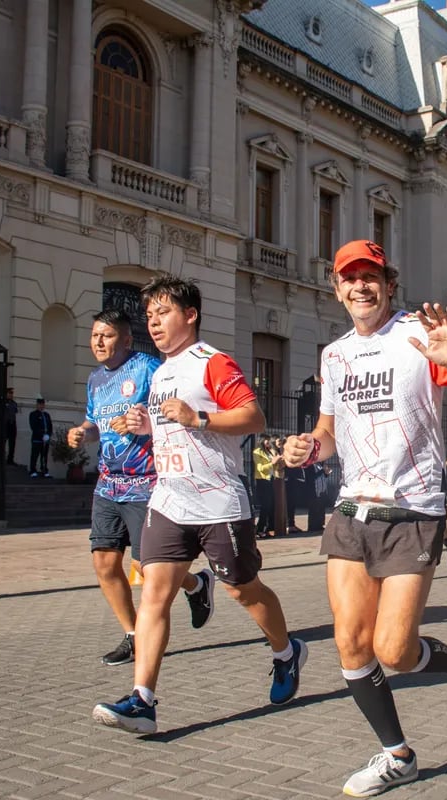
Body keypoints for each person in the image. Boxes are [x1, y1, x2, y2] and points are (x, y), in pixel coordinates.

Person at [282, 240, 447, 796]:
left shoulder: (419, 339)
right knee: (351, 645)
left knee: (395, 652)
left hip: (413, 512)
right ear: (336, 288)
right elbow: (329, 434)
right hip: (352, 511)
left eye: (370, 276)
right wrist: (307, 448)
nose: (360, 286)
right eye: (349, 277)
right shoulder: (333, 356)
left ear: (389, 284)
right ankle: (397, 755)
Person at [92, 276, 306, 735]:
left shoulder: (212, 362)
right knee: (153, 592)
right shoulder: (160, 373)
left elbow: (254, 416)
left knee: (243, 590)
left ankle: (287, 651)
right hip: (169, 499)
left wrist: (199, 417)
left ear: (189, 315)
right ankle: (143, 700)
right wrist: (145, 424)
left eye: (163, 314)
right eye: (149, 317)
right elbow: (173, 431)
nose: (154, 324)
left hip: (218, 501)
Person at [67, 309, 213, 667]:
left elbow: (170, 411)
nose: (99, 342)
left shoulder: (149, 368)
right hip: (108, 484)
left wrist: (141, 420)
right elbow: (94, 421)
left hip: (146, 483)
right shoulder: (95, 379)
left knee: (148, 570)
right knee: (104, 564)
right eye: (95, 336)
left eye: (107, 336)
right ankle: (134, 635)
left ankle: (195, 586)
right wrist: (83, 433)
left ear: (126, 340)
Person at [252, 434, 277, 536]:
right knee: (265, 506)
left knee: (272, 505)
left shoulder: (269, 451)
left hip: (271, 479)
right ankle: (260, 529)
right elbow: (260, 468)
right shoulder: (257, 452)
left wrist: (274, 452)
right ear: (261, 440)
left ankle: (270, 528)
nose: (268, 442)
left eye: (269, 440)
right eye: (266, 440)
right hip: (262, 480)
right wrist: (272, 463)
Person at [28, 396, 52, 478]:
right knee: (35, 455)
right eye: (40, 404)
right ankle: (33, 470)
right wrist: (42, 435)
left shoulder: (46, 415)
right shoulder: (33, 414)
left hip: (45, 440)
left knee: (44, 456)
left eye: (43, 404)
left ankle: (44, 470)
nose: (41, 406)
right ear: (37, 405)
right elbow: (34, 427)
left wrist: (48, 435)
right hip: (37, 439)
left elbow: (50, 426)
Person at [4, 387, 19, 465]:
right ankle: (1, 457)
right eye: (9, 393)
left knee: (12, 443)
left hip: (12, 423)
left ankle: (10, 459)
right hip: (5, 423)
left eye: (12, 393)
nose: (11, 395)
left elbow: (15, 412)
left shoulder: (14, 403)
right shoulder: (3, 402)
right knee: (3, 441)